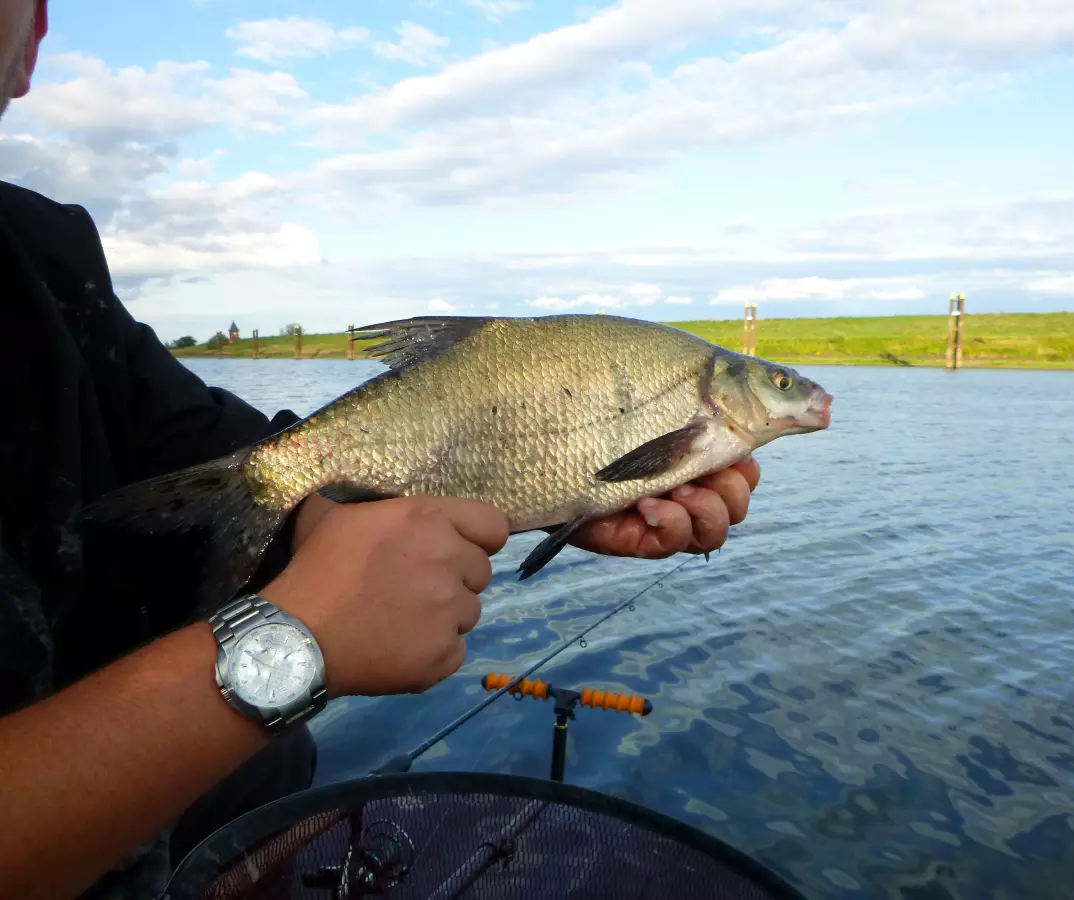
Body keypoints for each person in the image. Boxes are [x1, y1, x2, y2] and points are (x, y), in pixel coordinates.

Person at [0, 2, 761, 898]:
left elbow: (223, 448)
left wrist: (542, 487)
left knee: (275, 774)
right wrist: (290, 644)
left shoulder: (44, 261)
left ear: (31, 42)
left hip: (190, 827)